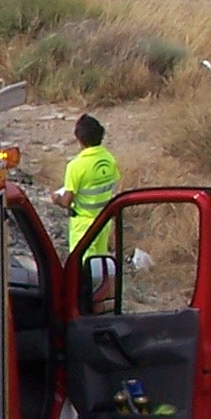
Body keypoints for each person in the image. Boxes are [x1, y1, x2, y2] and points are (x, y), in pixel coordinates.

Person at [51, 114, 121, 312]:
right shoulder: (109, 159)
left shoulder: (76, 166)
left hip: (83, 224)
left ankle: (83, 307)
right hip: (103, 220)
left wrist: (56, 199)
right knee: (101, 264)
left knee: (83, 270)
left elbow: (67, 200)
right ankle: (101, 303)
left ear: (79, 139)